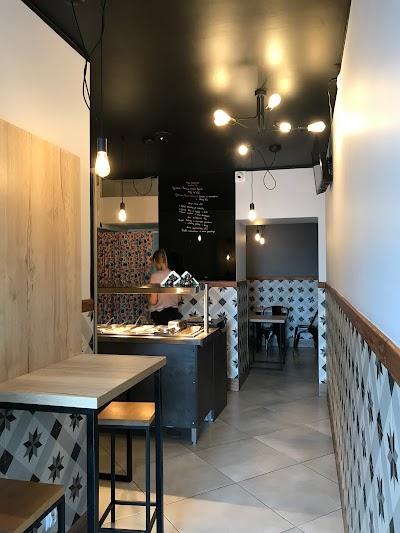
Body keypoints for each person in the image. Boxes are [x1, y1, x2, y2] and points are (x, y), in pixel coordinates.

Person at [148, 249, 182, 325]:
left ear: (155, 261)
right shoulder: (176, 276)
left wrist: (147, 294)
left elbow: (153, 301)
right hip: (174, 314)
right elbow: (179, 299)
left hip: (159, 315)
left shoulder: (155, 277)